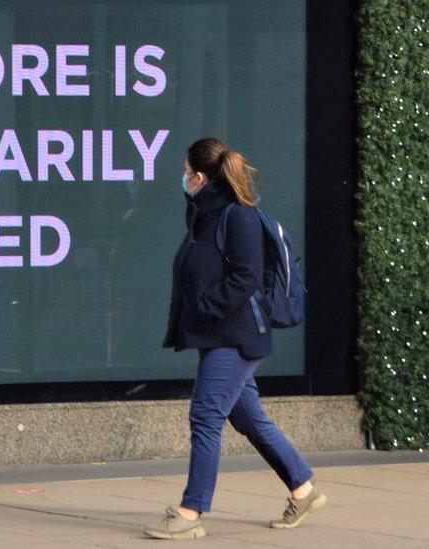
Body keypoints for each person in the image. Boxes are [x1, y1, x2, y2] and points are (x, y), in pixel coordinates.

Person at [144, 138, 326, 540]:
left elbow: (246, 278)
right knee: (248, 418)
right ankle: (304, 488)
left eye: (186, 171)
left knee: (206, 416)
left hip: (237, 335)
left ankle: (190, 513)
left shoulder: (238, 218)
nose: (183, 178)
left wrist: (207, 305)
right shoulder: (205, 216)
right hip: (218, 333)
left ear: (200, 176)